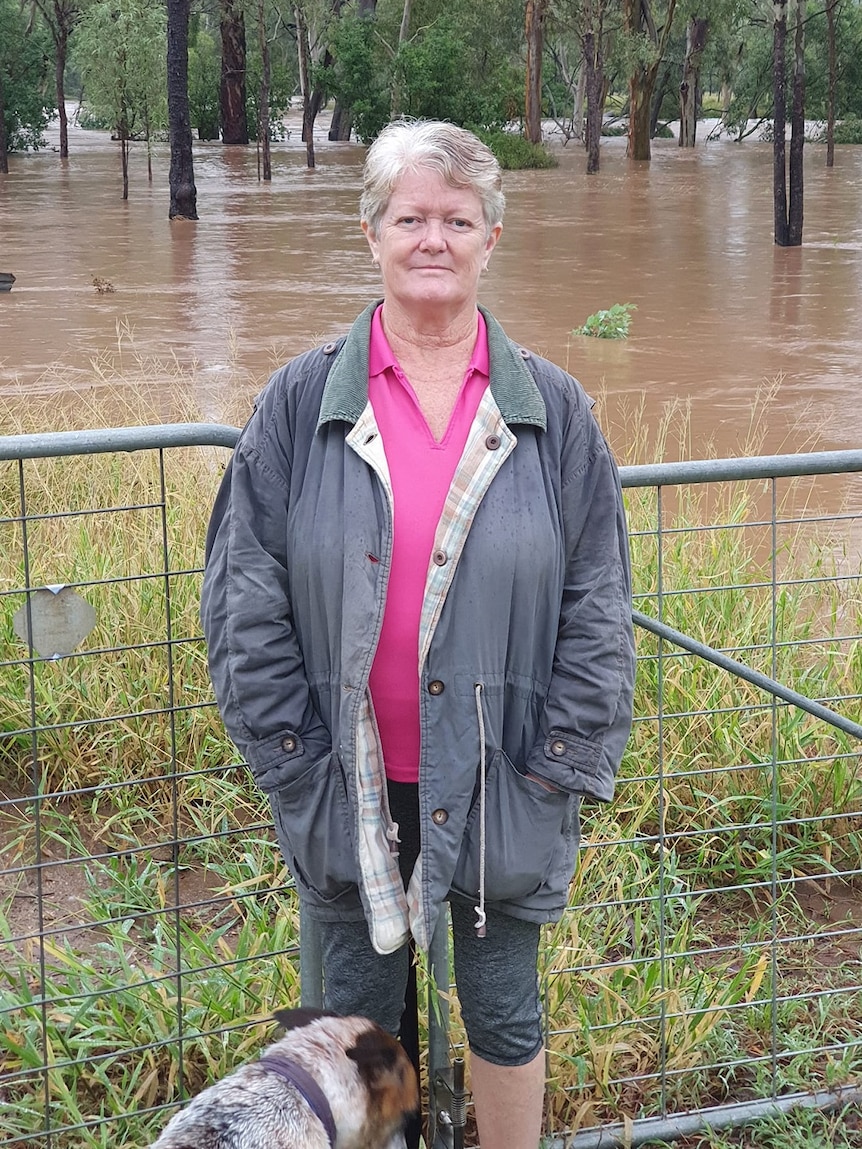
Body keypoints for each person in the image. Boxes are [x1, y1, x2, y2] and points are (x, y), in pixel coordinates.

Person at [200, 119, 636, 1149]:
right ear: (371, 233)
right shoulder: (298, 403)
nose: (431, 238)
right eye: (410, 217)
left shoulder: (554, 415)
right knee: (359, 1027)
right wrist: (296, 767)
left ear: (492, 235)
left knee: (502, 1009)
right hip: (344, 781)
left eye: (456, 218)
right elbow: (241, 604)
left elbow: (599, 610)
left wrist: (553, 771)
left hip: (502, 779)